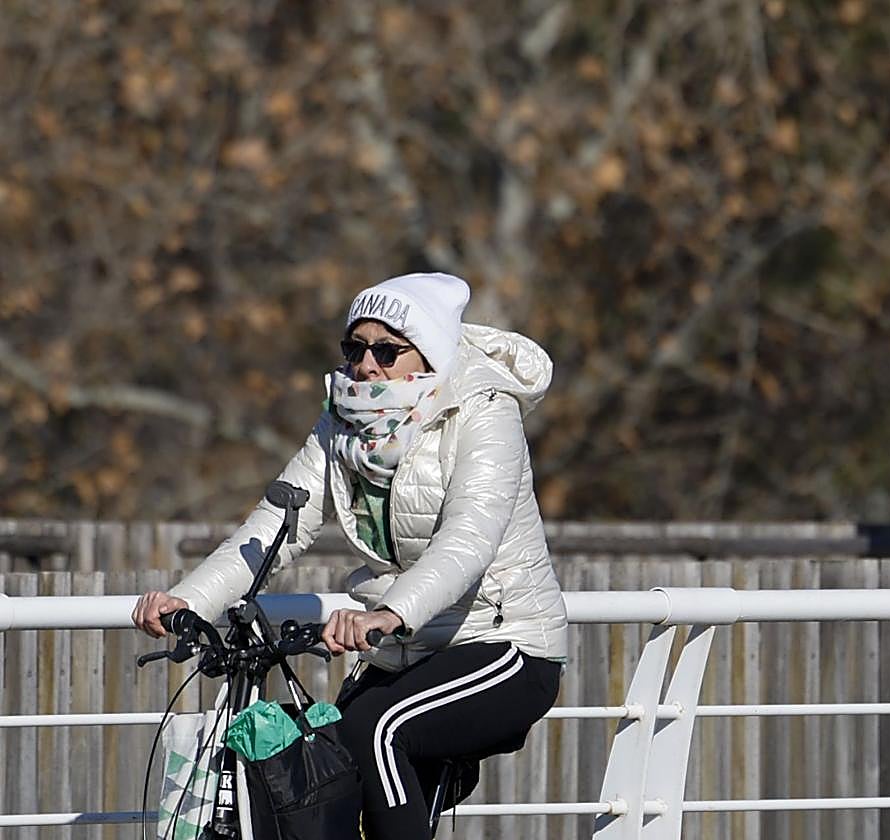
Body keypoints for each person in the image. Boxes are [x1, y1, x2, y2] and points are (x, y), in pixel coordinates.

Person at [132, 272, 567, 839]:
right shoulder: (343, 418)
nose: (367, 366)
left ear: (428, 353)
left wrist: (388, 613)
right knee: (327, 748)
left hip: (504, 644)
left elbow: (468, 540)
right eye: (355, 348)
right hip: (407, 651)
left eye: (387, 351)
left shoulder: (484, 413)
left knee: (378, 729)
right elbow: (275, 524)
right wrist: (187, 600)